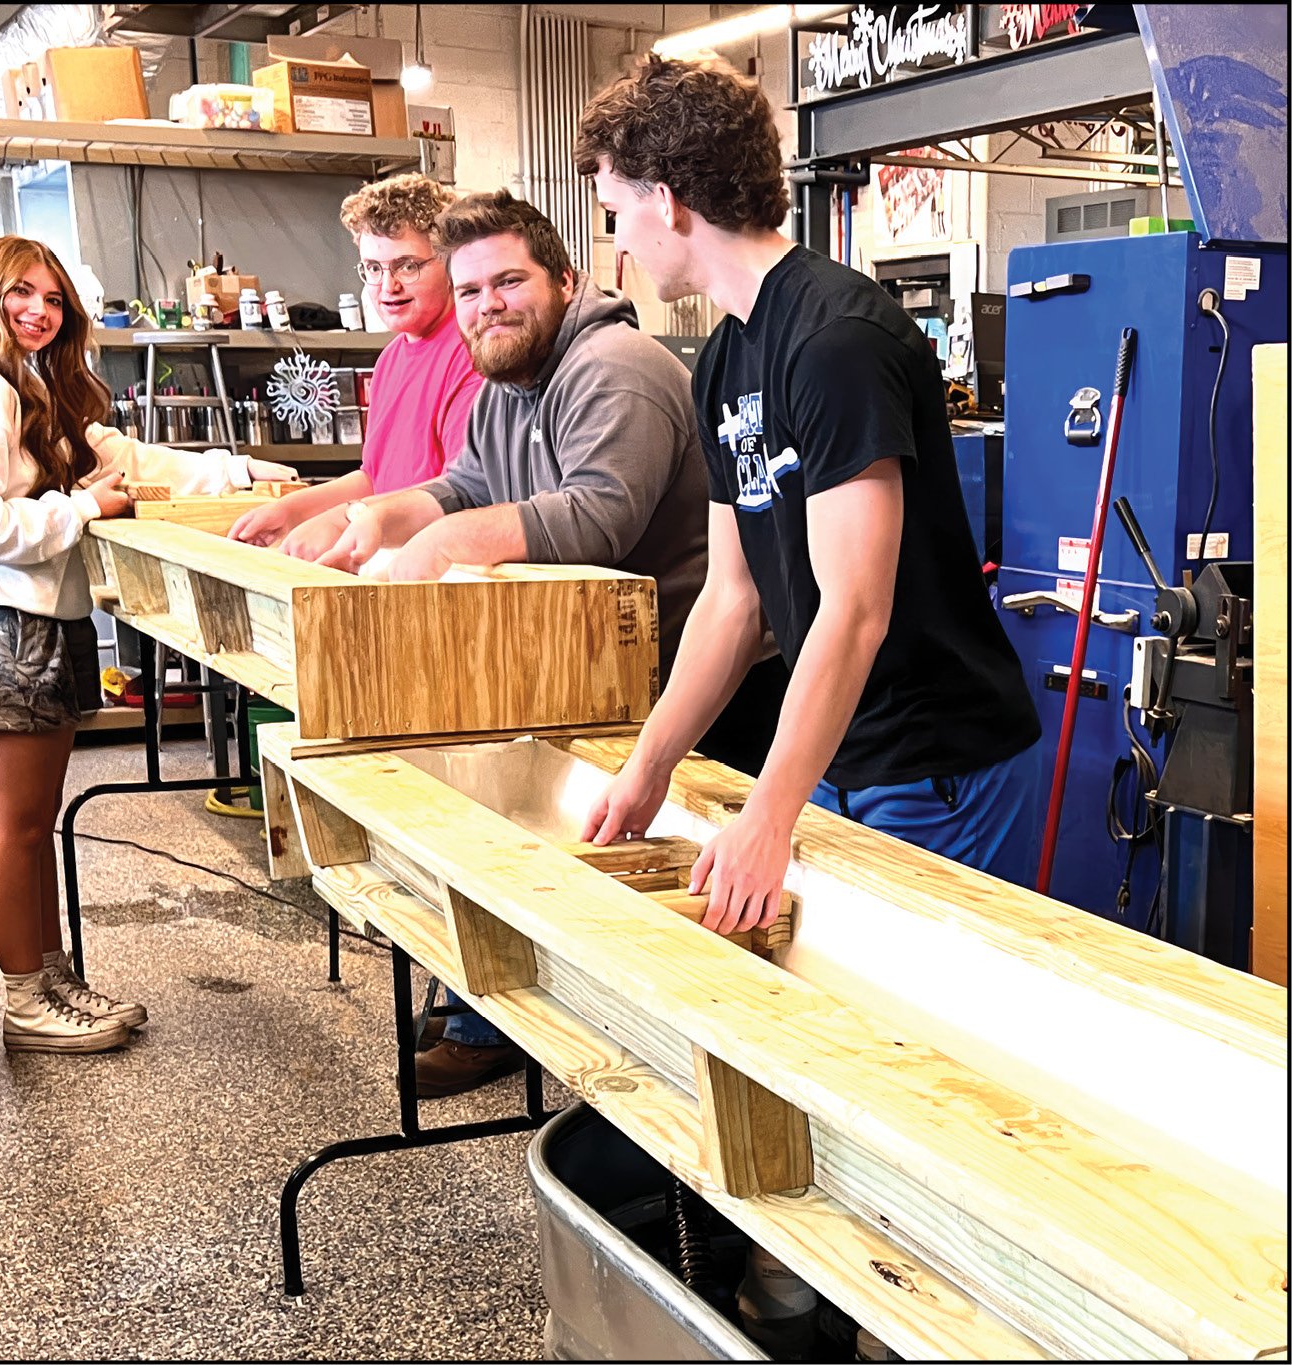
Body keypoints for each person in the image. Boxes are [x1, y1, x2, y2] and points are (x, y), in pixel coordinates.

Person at [572, 57, 1042, 939]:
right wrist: (649, 765)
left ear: (666, 200)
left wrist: (769, 814)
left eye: (615, 212)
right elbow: (732, 600)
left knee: (911, 1012)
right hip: (835, 748)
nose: (618, 242)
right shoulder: (723, 361)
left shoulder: (838, 341)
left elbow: (856, 608)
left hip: (934, 761)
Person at [310, 190, 711, 1095]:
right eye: (470, 290)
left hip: (685, 681)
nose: (487, 305)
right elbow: (461, 485)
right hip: (588, 672)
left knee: (632, 872)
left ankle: (628, 1060)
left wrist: (445, 543)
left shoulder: (613, 367)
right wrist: (373, 518)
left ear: (565, 278)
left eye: (508, 281)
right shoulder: (507, 387)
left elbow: (599, 517)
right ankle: (506, 1005)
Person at [0, 235, 296, 1055]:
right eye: (21, 293)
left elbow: (126, 459)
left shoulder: (30, 382)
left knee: (35, 821)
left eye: (53, 299)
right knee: (16, 824)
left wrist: (244, 473)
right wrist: (81, 511)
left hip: (34, 619)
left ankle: (50, 978)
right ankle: (25, 1000)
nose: (39, 311)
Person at [230, 173, 483, 556]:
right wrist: (290, 511)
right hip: (386, 552)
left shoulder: (472, 356)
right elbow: (373, 478)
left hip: (439, 563)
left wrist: (344, 519)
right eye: (373, 268)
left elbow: (460, 492)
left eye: (407, 266)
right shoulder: (390, 361)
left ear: (450, 262)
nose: (387, 286)